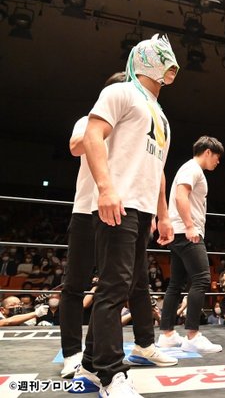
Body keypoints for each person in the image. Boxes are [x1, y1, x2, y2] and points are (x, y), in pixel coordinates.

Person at [78, 34, 180, 397]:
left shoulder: (161, 114)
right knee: (113, 288)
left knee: (126, 284)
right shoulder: (120, 91)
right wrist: (106, 188)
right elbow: (92, 135)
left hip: (142, 208)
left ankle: (90, 365)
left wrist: (162, 214)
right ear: (146, 59)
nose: (172, 64)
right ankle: (111, 375)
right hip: (117, 202)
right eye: (164, 57)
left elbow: (157, 167)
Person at [59, 71, 127, 379]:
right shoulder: (89, 120)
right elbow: (75, 146)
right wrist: (100, 130)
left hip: (120, 213)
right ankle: (71, 354)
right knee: (75, 284)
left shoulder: (133, 125)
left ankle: (93, 353)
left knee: (113, 286)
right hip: (86, 210)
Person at [157, 135, 224, 354]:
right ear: (208, 152)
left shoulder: (191, 169)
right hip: (187, 233)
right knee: (202, 279)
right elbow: (180, 196)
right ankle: (193, 336)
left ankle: (167, 335)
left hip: (179, 232)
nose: (218, 162)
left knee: (176, 283)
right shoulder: (192, 168)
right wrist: (189, 226)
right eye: (217, 157)